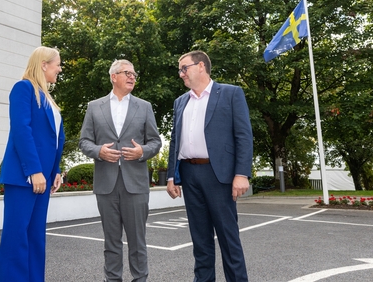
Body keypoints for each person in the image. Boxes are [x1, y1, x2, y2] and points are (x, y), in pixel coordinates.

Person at [166, 50, 253, 282]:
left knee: (228, 238)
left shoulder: (230, 93)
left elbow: (243, 136)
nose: (181, 74)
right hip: (189, 173)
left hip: (219, 176)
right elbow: (175, 140)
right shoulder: (180, 102)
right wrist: (170, 176)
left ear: (201, 66)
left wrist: (242, 173)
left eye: (184, 68)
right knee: (200, 240)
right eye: (179, 69)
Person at [79, 59, 162, 282]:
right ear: (114, 76)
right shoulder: (94, 107)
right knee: (111, 242)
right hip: (106, 184)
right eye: (127, 73)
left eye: (134, 74)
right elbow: (84, 141)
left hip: (135, 184)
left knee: (137, 241)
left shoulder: (144, 107)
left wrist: (142, 152)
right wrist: (99, 151)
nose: (132, 77)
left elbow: (155, 142)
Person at [0, 46, 65, 281]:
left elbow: (54, 139)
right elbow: (21, 131)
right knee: (16, 238)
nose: (59, 68)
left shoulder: (47, 98)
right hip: (24, 177)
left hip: (43, 180)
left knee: (35, 237)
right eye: (57, 63)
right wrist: (35, 170)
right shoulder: (23, 88)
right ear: (44, 64)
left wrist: (55, 171)